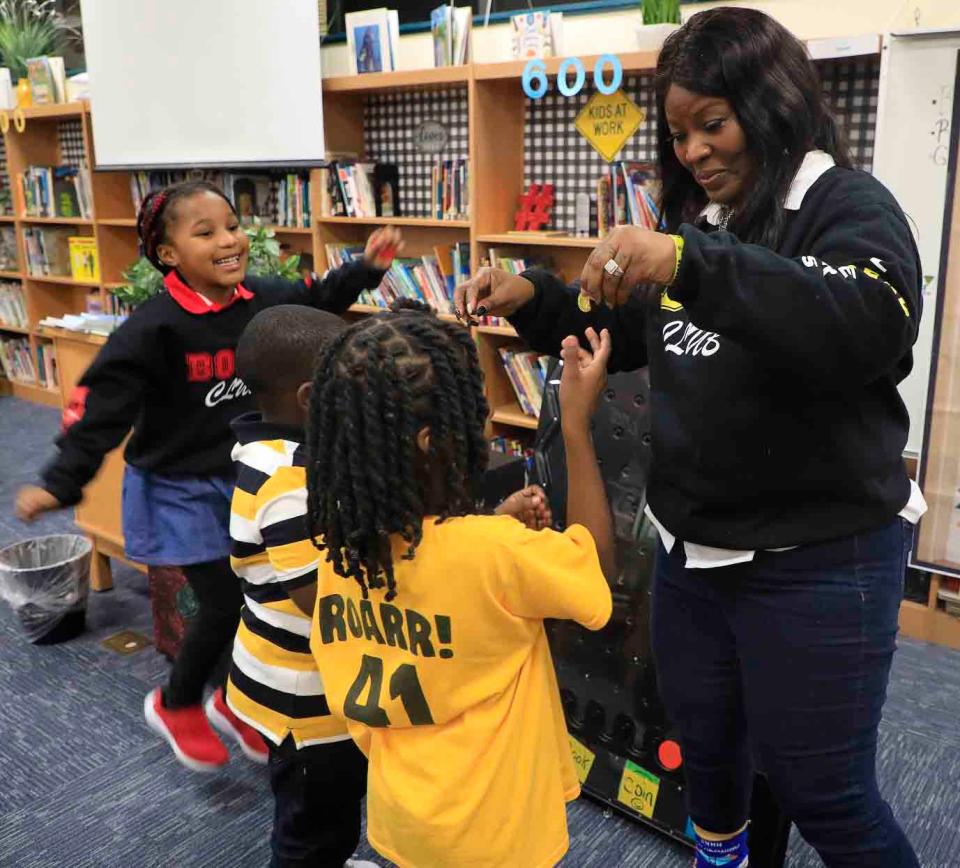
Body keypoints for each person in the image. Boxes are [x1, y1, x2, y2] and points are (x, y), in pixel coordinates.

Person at [455, 9, 924, 868]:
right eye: (678, 134)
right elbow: (621, 331)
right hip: (692, 560)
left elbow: (865, 324)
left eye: (713, 123)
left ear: (773, 102)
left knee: (824, 790)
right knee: (713, 765)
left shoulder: (846, 206)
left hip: (820, 559)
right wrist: (531, 297)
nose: (695, 151)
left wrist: (684, 262)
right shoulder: (706, 226)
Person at [15, 180, 402, 773]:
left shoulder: (259, 299)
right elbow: (103, 407)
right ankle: (176, 703)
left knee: (256, 596)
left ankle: (232, 699)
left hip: (239, 480)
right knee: (221, 600)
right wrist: (60, 483)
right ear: (168, 254)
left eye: (231, 226)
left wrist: (366, 270)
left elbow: (317, 298)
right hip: (175, 489)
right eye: (206, 232)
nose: (229, 240)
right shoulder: (154, 328)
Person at [303, 303, 615, 868]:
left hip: (404, 813)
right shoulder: (494, 553)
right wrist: (575, 426)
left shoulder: (345, 553)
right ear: (432, 441)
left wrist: (493, 521)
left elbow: (430, 584)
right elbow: (593, 575)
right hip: (496, 828)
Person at [226, 306, 376, 868]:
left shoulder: (276, 451)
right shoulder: (290, 485)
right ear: (312, 399)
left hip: (290, 679)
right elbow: (326, 603)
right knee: (313, 828)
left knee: (325, 814)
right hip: (304, 700)